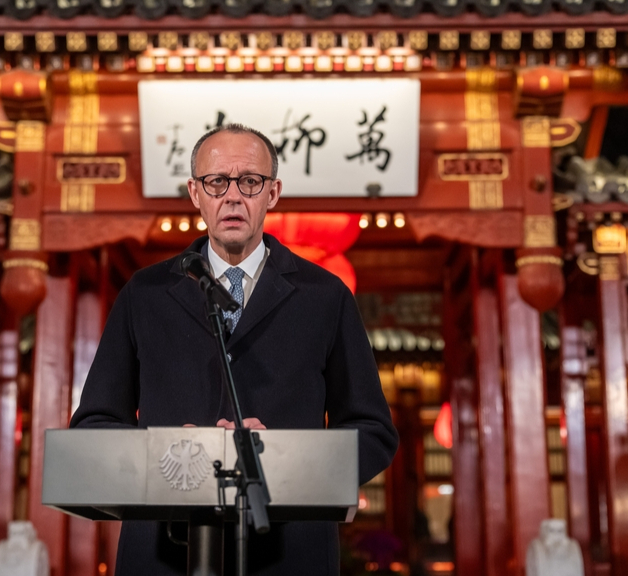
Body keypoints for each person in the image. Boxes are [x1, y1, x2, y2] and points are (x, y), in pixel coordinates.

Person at [70, 123, 399, 575]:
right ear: (195, 193)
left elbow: (373, 429)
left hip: (289, 552)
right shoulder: (144, 294)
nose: (232, 196)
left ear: (273, 193)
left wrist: (284, 458)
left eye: (249, 182)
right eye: (216, 182)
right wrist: (170, 452)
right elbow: (95, 423)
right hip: (165, 553)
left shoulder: (325, 296)